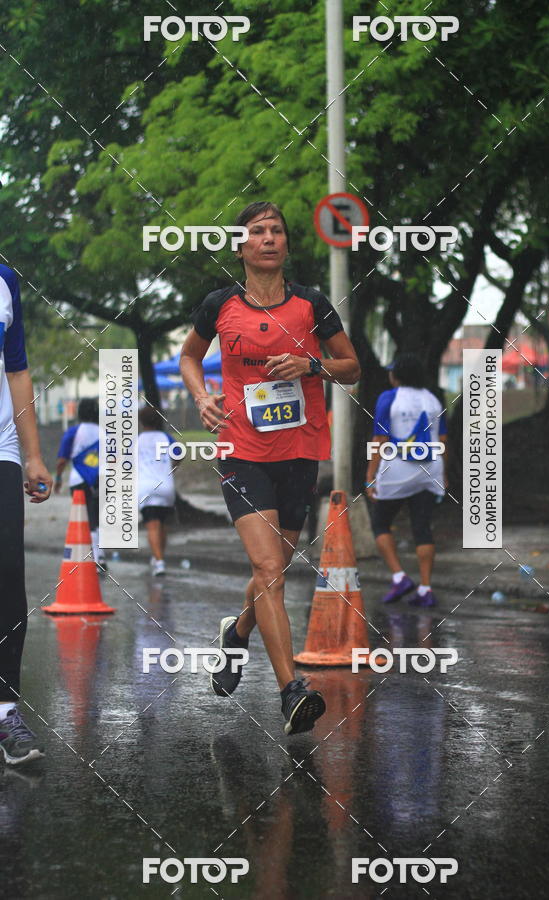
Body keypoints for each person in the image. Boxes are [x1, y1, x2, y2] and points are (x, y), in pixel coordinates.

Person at [180, 200, 360, 735]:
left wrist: (312, 365)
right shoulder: (219, 304)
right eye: (256, 231)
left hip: (298, 454)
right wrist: (201, 395)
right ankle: (291, 691)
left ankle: (236, 635)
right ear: (240, 246)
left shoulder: (311, 304)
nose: (268, 238)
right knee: (269, 571)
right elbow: (191, 356)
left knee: (272, 572)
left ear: (286, 243)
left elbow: (351, 367)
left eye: (276, 230)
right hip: (241, 453)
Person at [0, 263, 52, 764]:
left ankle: (4, 714)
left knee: (8, 581)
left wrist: (33, 454)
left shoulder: (6, 279)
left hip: (1, 448)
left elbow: (16, 369)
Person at [365, 353, 447, 607]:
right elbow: (442, 440)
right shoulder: (433, 399)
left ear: (396, 376)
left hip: (396, 470)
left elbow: (380, 440)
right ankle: (425, 588)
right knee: (422, 527)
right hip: (429, 469)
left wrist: (370, 475)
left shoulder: (389, 398)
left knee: (380, 522)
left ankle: (400, 577)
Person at [55, 398, 104, 572]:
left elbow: (62, 460)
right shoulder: (105, 432)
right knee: (98, 518)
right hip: (102, 479)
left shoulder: (74, 432)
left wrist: (59, 478)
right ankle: (101, 554)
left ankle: (95, 559)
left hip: (79, 480)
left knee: (86, 519)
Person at [137, 405, 178, 576]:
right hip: (166, 487)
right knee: (162, 525)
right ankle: (158, 556)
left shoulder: (136, 441)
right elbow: (179, 454)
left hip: (146, 488)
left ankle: (159, 562)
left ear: (140, 422)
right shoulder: (166, 437)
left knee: (152, 526)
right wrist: (171, 469)